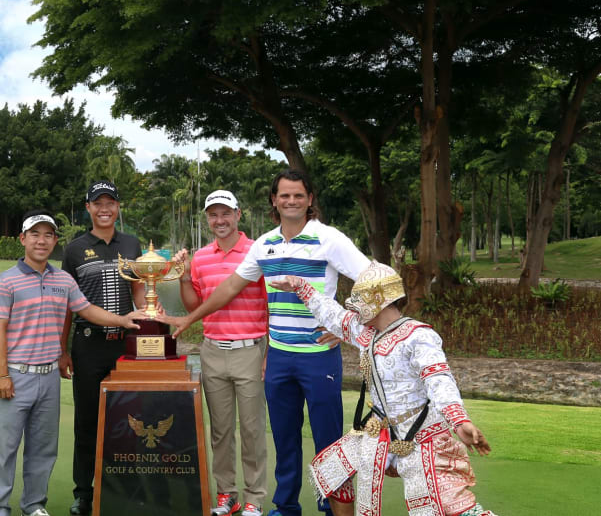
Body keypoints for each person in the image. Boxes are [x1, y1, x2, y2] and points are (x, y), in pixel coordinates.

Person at [166, 169, 370, 516]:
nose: (291, 201)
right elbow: (230, 287)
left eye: (298, 196)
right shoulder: (265, 244)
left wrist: (348, 325)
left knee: (327, 439)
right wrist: (190, 318)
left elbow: (373, 280)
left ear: (310, 200)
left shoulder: (329, 239)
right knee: (285, 437)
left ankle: (331, 506)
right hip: (279, 355)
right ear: (274, 201)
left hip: (319, 355)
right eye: (284, 196)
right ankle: (286, 506)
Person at [267, 263, 495, 516]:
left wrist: (459, 421)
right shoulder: (368, 333)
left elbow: (438, 379)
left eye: (361, 299)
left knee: (449, 507)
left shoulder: (419, 336)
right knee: (331, 470)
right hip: (379, 432)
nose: (354, 306)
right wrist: (301, 287)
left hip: (423, 436)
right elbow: (332, 314)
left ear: (378, 300)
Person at [0, 210, 144, 516]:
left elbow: (87, 310)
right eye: (35, 234)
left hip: (48, 378)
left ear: (55, 241)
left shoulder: (64, 280)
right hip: (16, 376)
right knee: (4, 450)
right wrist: (1, 374)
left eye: (48, 235)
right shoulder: (7, 282)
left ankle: (33, 505)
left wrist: (123, 319)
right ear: (23, 239)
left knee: (43, 449)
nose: (42, 241)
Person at [173, 190, 269, 516]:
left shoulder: (257, 250)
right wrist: (185, 275)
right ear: (207, 219)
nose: (219, 220)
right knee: (221, 430)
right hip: (212, 350)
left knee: (253, 430)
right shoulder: (200, 257)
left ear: (238, 215)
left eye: (225, 213)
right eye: (213, 215)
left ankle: (254, 497)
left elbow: (272, 306)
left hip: (251, 349)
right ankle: (226, 496)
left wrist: (269, 352)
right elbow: (194, 308)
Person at [59, 181, 145, 515]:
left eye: (111, 202)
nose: (105, 208)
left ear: (118, 207)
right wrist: (64, 350)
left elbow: (139, 291)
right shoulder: (75, 248)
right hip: (88, 346)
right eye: (98, 203)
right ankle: (84, 492)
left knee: (129, 419)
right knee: (87, 422)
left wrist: (151, 316)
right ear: (89, 207)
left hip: (125, 348)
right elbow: (69, 304)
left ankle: (125, 485)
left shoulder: (132, 244)